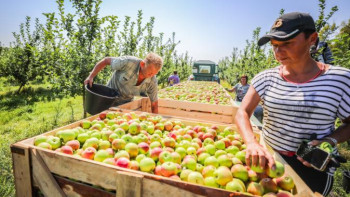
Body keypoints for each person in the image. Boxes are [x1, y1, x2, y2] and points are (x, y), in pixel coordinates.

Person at [234, 12, 350, 196]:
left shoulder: (340, 80)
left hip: (313, 168)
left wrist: (329, 141)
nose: (278, 53)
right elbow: (242, 113)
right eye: (274, 46)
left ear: (312, 39)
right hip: (270, 160)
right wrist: (251, 142)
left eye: (287, 43)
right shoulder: (266, 78)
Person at [84, 52, 163, 113]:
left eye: (154, 73)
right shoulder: (128, 62)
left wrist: (155, 121)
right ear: (142, 64)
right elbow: (106, 61)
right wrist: (91, 76)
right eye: (150, 72)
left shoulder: (152, 81)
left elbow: (154, 104)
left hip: (125, 104)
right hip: (108, 99)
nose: (151, 75)